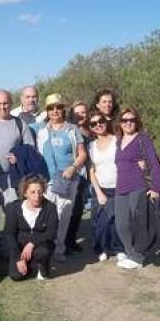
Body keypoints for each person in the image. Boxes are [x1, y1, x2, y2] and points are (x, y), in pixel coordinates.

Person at [0, 90, 35, 262]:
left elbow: (30, 148)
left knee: (13, 213)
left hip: (12, 178)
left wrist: (19, 156)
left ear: (11, 104)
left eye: (6, 104)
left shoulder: (19, 124)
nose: (3, 107)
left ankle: (12, 248)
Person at [36, 93, 87, 262]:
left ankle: (59, 249)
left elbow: (82, 155)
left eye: (58, 107)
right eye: (51, 108)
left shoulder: (73, 130)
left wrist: (73, 168)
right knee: (47, 215)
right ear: (47, 111)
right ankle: (45, 247)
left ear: (63, 109)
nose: (55, 111)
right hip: (47, 180)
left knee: (64, 214)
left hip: (68, 179)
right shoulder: (41, 131)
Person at [114, 107, 160, 270]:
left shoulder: (143, 138)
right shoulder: (118, 140)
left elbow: (154, 164)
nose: (128, 123)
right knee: (122, 224)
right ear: (120, 123)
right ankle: (130, 252)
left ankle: (138, 257)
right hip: (121, 188)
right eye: (124, 120)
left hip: (139, 186)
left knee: (140, 224)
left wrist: (156, 188)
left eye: (131, 120)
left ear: (137, 121)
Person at [4, 174, 58, 280]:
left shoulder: (50, 208)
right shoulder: (13, 208)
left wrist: (32, 243)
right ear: (25, 193)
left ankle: (43, 267)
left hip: (41, 246)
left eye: (40, 191)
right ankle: (28, 264)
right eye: (32, 192)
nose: (37, 195)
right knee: (16, 276)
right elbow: (9, 234)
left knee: (43, 252)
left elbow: (51, 233)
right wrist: (18, 258)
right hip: (20, 247)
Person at [88, 110, 125, 262]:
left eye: (100, 121)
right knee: (101, 223)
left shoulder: (118, 141)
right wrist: (98, 192)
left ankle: (119, 249)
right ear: (91, 128)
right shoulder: (91, 146)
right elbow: (91, 171)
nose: (98, 125)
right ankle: (101, 248)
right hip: (101, 189)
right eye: (94, 124)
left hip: (119, 187)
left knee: (117, 221)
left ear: (106, 122)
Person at [65, 101, 93, 253]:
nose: (81, 115)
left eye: (83, 112)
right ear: (71, 114)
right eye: (77, 112)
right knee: (70, 208)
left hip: (89, 173)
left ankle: (71, 239)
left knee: (79, 209)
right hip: (73, 172)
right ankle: (65, 241)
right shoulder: (68, 130)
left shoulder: (92, 129)